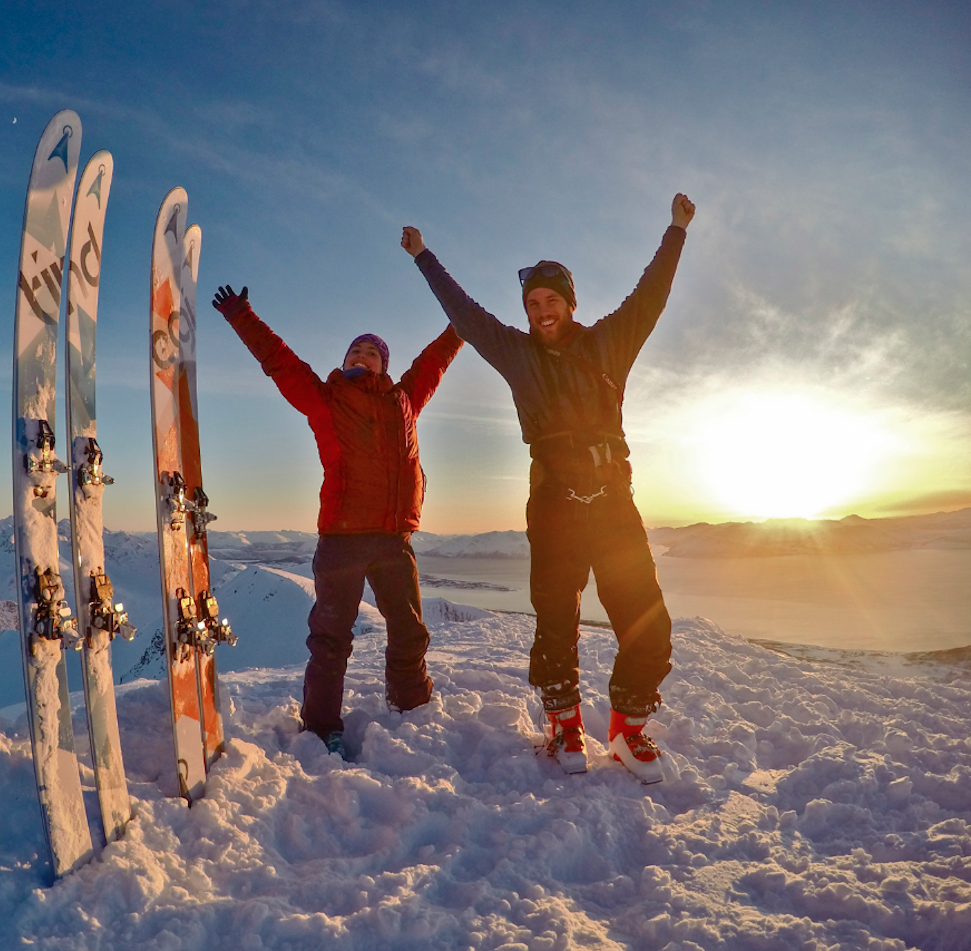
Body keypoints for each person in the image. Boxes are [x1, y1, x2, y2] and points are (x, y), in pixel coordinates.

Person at [399, 194, 695, 783]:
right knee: (556, 620)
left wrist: (676, 230)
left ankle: (627, 728)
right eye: (532, 303)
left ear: (570, 302)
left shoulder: (609, 342)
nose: (540, 311)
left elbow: (651, 294)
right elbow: (467, 315)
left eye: (550, 300)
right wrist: (424, 258)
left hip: (612, 502)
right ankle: (563, 723)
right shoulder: (516, 354)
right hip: (556, 504)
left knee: (648, 621)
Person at [211, 284, 462, 757]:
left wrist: (460, 326)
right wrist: (241, 315)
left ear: (384, 364)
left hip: (393, 538)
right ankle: (322, 725)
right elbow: (279, 361)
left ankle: (410, 705)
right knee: (331, 639)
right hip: (342, 539)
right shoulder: (324, 397)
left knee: (409, 630)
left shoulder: (404, 400)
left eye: (371, 352)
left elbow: (435, 361)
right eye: (355, 350)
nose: (362, 355)